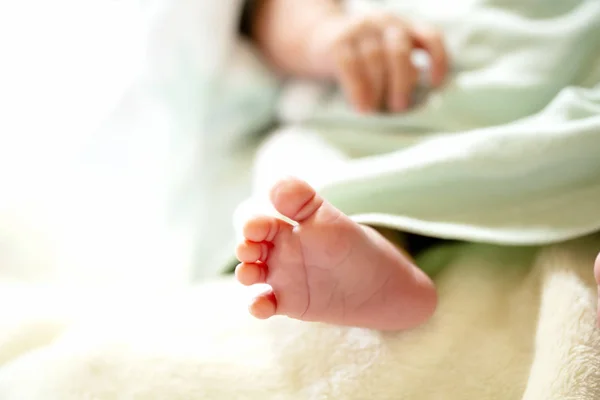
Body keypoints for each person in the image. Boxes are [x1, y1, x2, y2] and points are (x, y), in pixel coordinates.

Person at [233, 0, 600, 331]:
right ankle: (368, 260)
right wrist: (322, 35)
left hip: (569, 69)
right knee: (298, 173)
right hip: (392, 104)